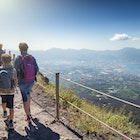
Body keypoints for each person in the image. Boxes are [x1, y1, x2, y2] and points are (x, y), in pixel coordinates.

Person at [14, 43, 39, 123]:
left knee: (24, 97)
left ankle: (27, 115)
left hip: (22, 81)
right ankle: (28, 110)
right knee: (28, 93)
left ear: (19, 49)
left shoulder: (18, 58)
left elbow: (15, 71)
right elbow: (37, 69)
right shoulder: (32, 57)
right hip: (31, 80)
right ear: (27, 48)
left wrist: (16, 81)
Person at [0, 54, 18, 129]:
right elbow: (15, 80)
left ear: (2, 60)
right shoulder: (13, 70)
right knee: (11, 106)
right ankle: (11, 121)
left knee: (3, 101)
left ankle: (4, 111)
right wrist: (15, 87)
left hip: (2, 90)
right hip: (10, 91)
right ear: (11, 60)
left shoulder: (0, 69)